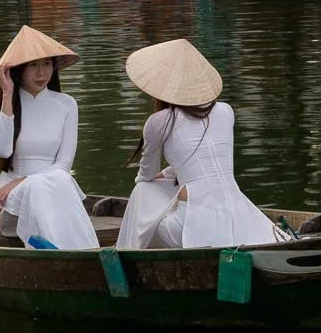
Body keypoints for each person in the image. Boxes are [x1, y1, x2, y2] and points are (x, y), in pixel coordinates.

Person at [118, 38, 279, 250]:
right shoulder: (225, 111)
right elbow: (206, 158)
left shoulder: (159, 121)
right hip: (236, 216)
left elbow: (146, 174)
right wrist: (170, 173)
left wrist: (162, 175)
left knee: (142, 189)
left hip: (188, 227)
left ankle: (128, 252)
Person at [0, 25, 98, 250]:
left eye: (46, 64)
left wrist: (22, 181)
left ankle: (79, 254)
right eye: (33, 65)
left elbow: (63, 165)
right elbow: (3, 151)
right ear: (18, 70)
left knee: (59, 180)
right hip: (7, 205)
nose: (41, 73)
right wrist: (7, 95)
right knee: (48, 186)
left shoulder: (66, 104)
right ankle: (64, 254)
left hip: (49, 191)